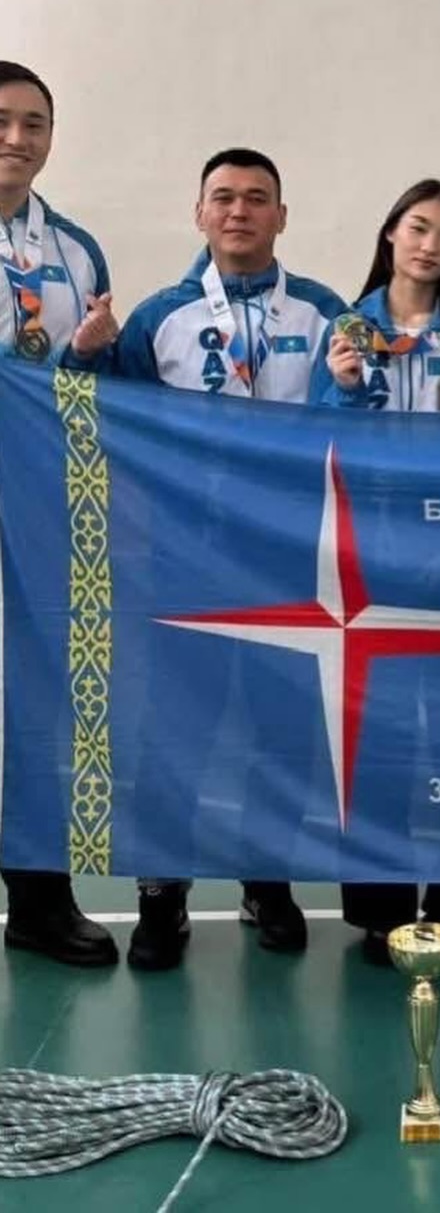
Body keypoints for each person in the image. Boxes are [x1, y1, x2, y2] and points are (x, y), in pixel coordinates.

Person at [114, 147, 348, 969]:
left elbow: (354, 424)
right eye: (224, 197)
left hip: (290, 559)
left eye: (256, 198)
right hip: (187, 557)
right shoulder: (159, 317)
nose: (240, 211)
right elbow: (116, 426)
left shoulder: (324, 314)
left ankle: (266, 880)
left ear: (282, 215)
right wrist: (86, 357)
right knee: (174, 728)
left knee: (280, 728)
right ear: (200, 213)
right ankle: (161, 894)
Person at [314, 178, 440, 963]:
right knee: (378, 741)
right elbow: (310, 448)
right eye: (419, 227)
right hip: (369, 572)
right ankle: (380, 907)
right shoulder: (345, 330)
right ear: (390, 233)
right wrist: (345, 391)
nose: (431, 245)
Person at [0, 61, 120, 967]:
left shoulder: (75, 252)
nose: (17, 137)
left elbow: (86, 390)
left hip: (40, 501)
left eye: (34, 123)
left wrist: (83, 354)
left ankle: (39, 900)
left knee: (41, 694)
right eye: (2, 119)